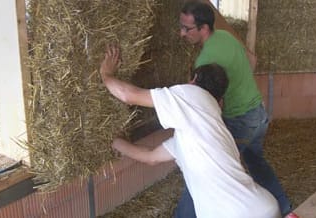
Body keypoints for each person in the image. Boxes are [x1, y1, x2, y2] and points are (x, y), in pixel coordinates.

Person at [99, 45, 280, 218]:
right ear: (220, 99)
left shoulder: (192, 95)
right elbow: (150, 157)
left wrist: (106, 74)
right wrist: (112, 141)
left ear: (193, 80)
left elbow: (128, 95)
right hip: (262, 207)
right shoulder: (200, 132)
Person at [177, 1, 298, 218]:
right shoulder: (224, 36)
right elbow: (250, 61)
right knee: (256, 162)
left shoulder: (206, 60)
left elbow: (205, 106)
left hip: (240, 121)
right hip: (258, 114)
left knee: (204, 172)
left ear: (204, 28)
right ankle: (286, 211)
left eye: (187, 28)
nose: (181, 33)